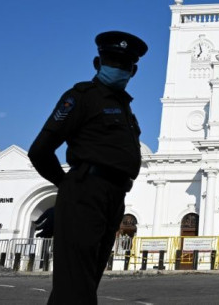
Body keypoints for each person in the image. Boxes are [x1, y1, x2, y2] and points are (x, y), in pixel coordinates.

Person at [28, 31, 148, 304]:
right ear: (97, 63)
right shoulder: (81, 97)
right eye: (111, 61)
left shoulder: (126, 108)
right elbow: (40, 150)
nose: (117, 69)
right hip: (87, 191)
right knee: (76, 284)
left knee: (85, 281)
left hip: (113, 196)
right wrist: (69, 187)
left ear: (134, 70)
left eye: (124, 64)